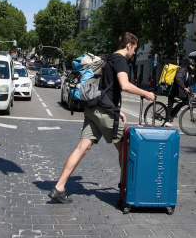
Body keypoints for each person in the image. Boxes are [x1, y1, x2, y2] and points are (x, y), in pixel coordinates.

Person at [48, 32, 155, 204]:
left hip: (93, 109)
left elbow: (106, 88)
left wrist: (116, 109)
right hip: (105, 112)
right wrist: (146, 93)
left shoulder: (109, 58)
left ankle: (59, 187)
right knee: (126, 149)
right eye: (134, 49)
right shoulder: (120, 60)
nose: (134, 52)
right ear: (128, 46)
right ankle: (128, 190)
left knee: (82, 148)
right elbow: (124, 85)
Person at [165, 59, 195, 127]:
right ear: (188, 65)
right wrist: (184, 88)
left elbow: (189, 85)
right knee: (170, 103)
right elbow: (178, 80)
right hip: (173, 89)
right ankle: (166, 121)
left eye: (193, 66)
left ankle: (172, 113)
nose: (193, 67)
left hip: (179, 90)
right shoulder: (182, 70)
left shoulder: (188, 73)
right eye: (192, 65)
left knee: (186, 100)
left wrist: (192, 93)